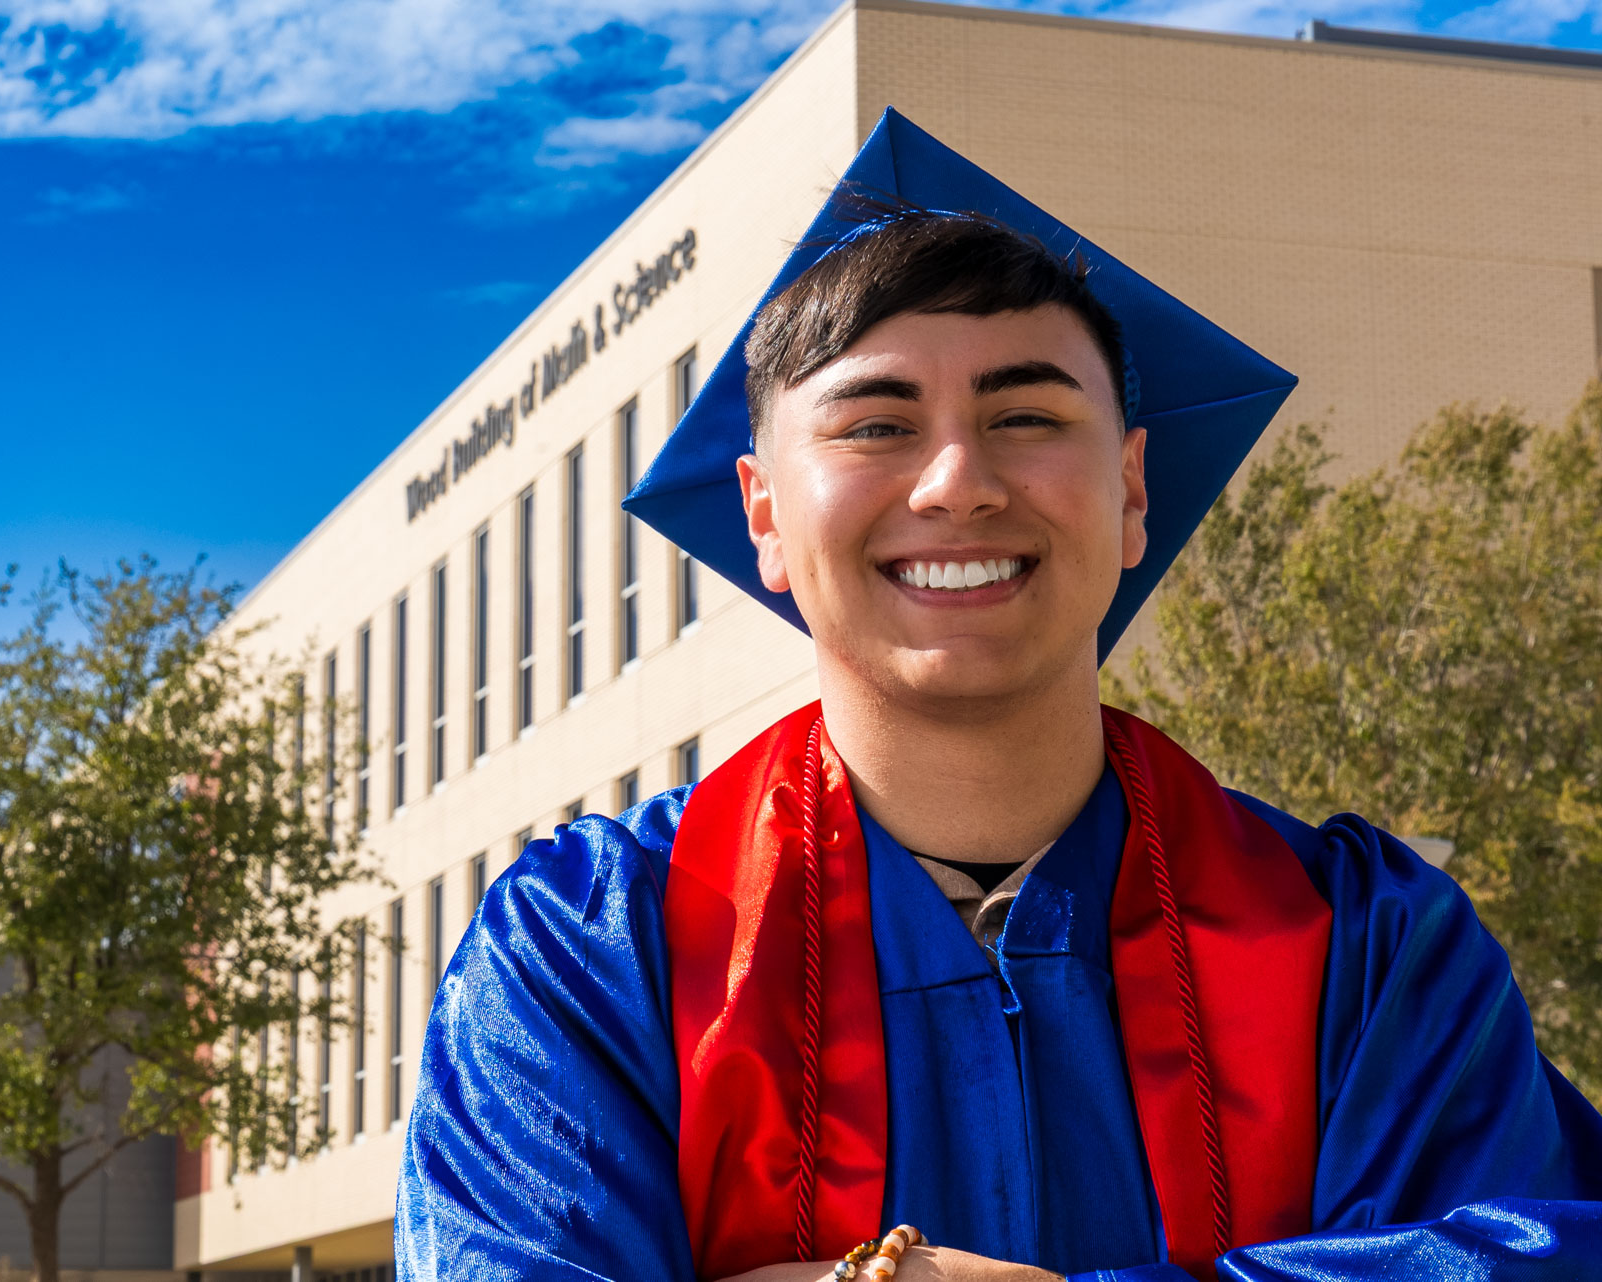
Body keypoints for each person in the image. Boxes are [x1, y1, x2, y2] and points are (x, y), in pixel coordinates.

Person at [393, 110, 1602, 1282]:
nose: (959, 482)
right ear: (762, 512)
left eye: (1025, 415)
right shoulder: (590, 952)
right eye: (876, 424)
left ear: (1133, 490)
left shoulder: (1368, 945)